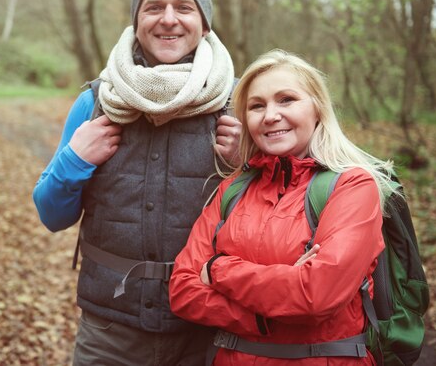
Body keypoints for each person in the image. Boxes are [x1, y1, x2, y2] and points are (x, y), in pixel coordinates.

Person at [33, 0, 241, 366]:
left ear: (205, 22)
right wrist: (75, 159)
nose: (168, 19)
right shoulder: (96, 101)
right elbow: (51, 215)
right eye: (153, 7)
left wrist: (247, 167)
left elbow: (281, 217)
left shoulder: (238, 104)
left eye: (184, 7)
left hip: (209, 329)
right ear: (136, 20)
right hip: (110, 330)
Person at [169, 49, 402, 365]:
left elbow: (315, 295)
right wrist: (266, 315)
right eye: (257, 106)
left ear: (317, 108)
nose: (270, 115)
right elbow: (182, 291)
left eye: (287, 100)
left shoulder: (352, 186)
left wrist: (217, 268)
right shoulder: (233, 189)